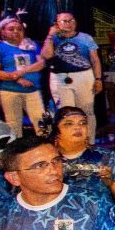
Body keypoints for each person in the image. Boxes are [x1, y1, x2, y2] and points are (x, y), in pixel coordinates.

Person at [52, 106, 115, 206]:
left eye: (82, 123)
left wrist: (112, 184)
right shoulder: (49, 161)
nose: (78, 127)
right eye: (69, 123)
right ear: (57, 131)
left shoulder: (107, 157)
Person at [41, 11, 103, 142]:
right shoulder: (53, 38)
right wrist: (50, 36)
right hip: (59, 78)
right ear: (57, 24)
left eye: (71, 21)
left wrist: (98, 79)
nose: (69, 24)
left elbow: (95, 60)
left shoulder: (85, 38)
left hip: (84, 76)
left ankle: (89, 141)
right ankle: (69, 142)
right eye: (64, 21)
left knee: (87, 110)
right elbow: (46, 56)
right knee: (65, 113)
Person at [0, 14, 46, 138]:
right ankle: (16, 152)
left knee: (42, 121)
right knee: (13, 123)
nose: (16, 32)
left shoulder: (31, 45)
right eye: (11, 29)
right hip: (8, 91)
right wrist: (16, 79)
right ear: (2, 32)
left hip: (32, 90)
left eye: (19, 29)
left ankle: (46, 147)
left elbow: (41, 64)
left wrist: (21, 72)